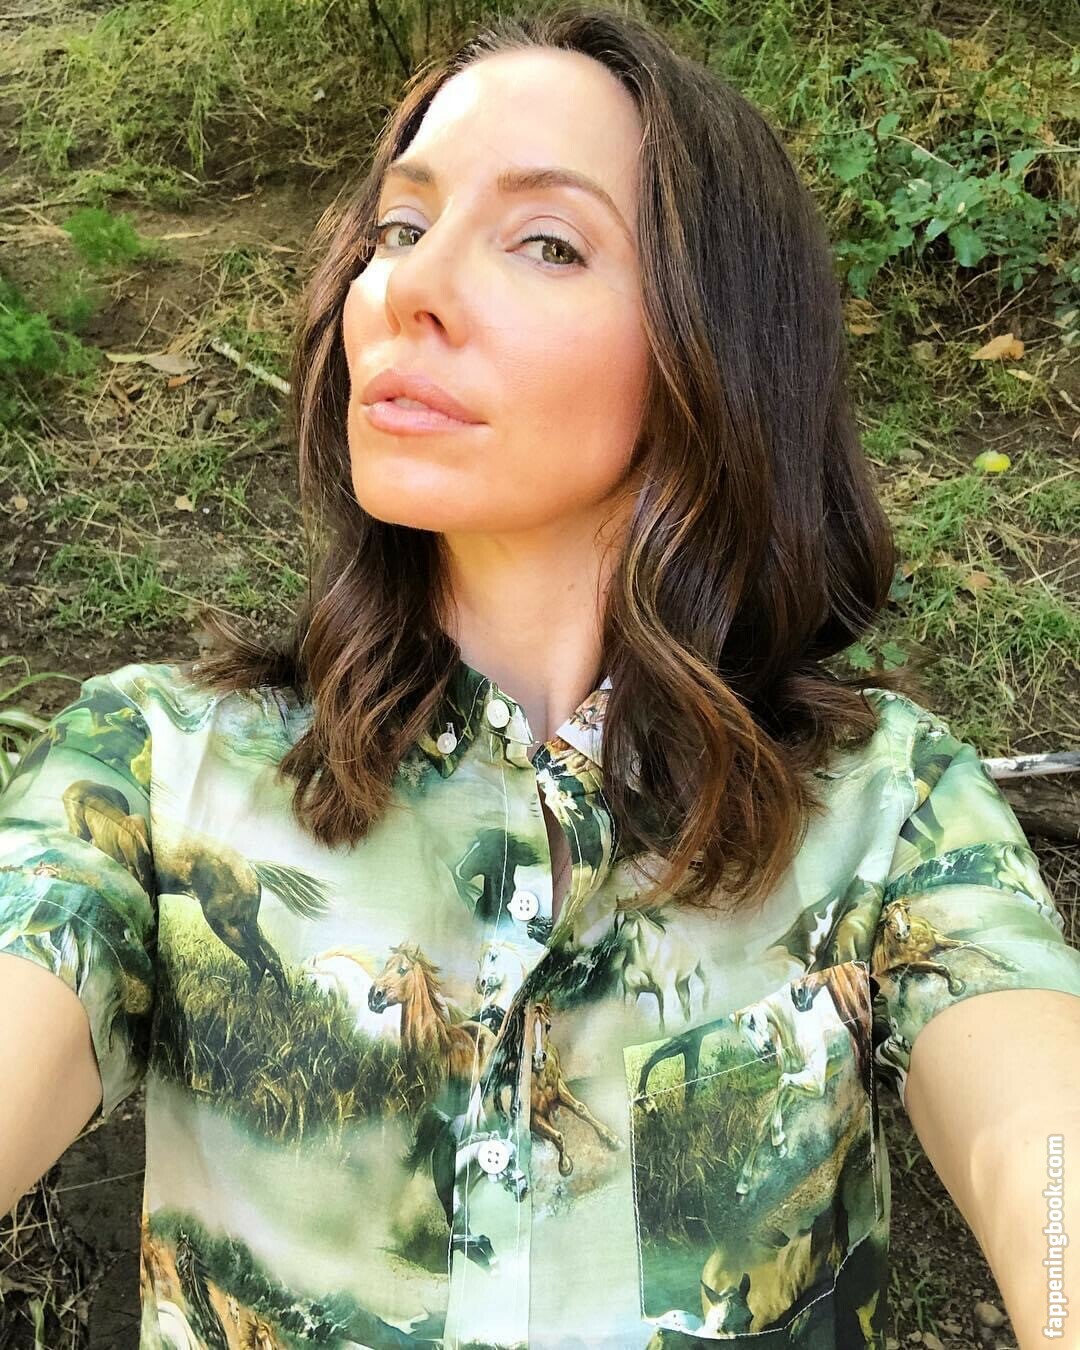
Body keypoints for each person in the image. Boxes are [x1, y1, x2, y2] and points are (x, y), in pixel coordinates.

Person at [1, 5, 1078, 1348]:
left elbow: (1045, 1154)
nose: (407, 289)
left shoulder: (887, 815)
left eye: (548, 242)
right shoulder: (154, 774)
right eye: (400, 227)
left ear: (715, 346)